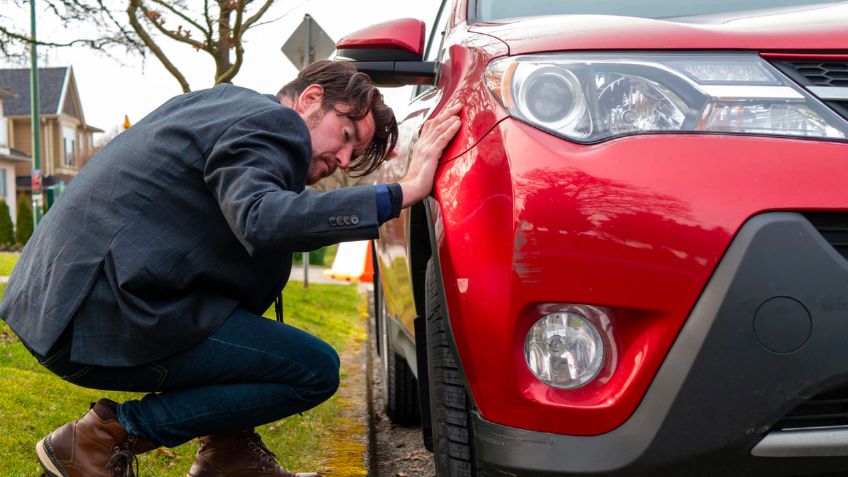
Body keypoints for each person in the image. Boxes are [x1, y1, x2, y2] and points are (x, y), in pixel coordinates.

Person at [0, 60, 462, 477]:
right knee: (313, 369)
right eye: (345, 137)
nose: (341, 161)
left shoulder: (224, 107)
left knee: (255, 342)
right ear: (311, 98)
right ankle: (101, 437)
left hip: (69, 303)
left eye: (351, 156)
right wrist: (403, 191)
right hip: (101, 311)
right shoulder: (274, 124)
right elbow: (262, 218)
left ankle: (227, 452)